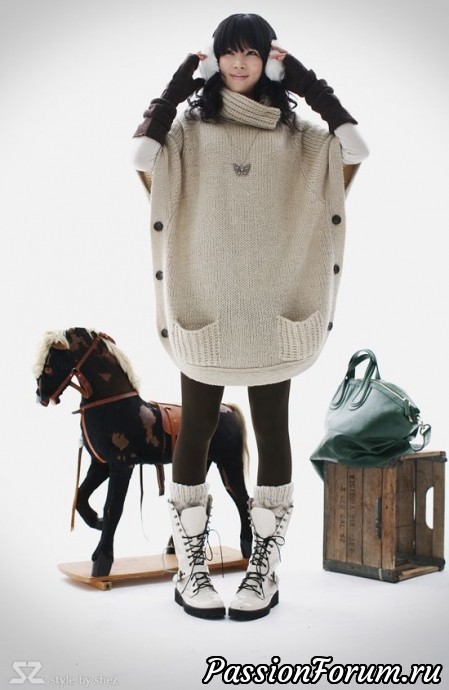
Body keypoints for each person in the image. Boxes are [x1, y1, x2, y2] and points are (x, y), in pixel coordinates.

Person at [132, 13, 368, 621]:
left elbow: (355, 147)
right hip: (205, 310)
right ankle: (191, 568)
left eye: (252, 53)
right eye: (229, 53)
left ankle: (264, 566)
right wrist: (181, 81)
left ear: (270, 61)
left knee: (272, 433)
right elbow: (141, 154)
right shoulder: (188, 132)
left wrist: (307, 83)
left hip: (270, 313)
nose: (240, 64)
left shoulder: (299, 138)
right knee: (196, 431)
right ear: (215, 60)